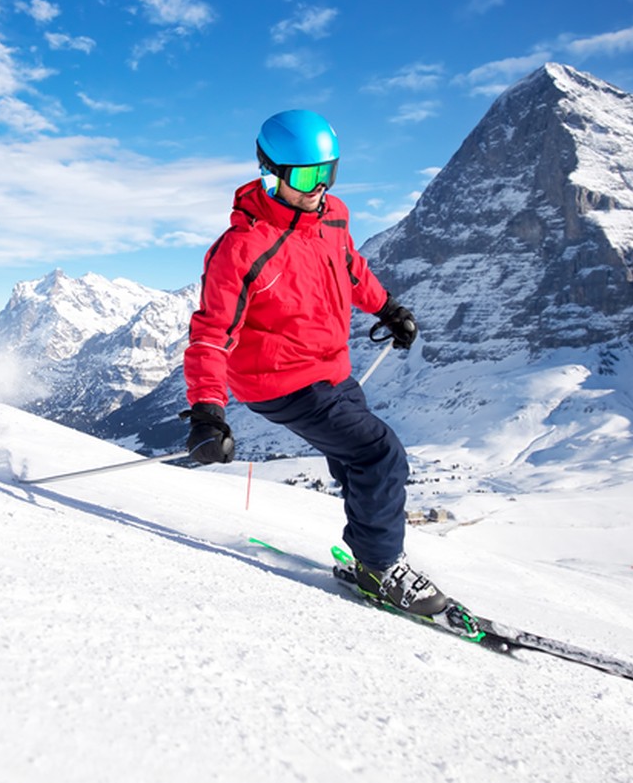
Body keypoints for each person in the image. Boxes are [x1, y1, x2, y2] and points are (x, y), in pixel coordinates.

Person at [180, 108, 448, 617]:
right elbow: (212, 334)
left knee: (356, 460)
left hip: (331, 367)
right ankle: (380, 569)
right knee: (380, 453)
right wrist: (208, 412)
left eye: (328, 172)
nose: (318, 187)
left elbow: (351, 269)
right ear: (271, 172)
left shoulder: (333, 217)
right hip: (278, 382)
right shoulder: (240, 250)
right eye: (306, 176)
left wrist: (387, 308)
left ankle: (367, 549)